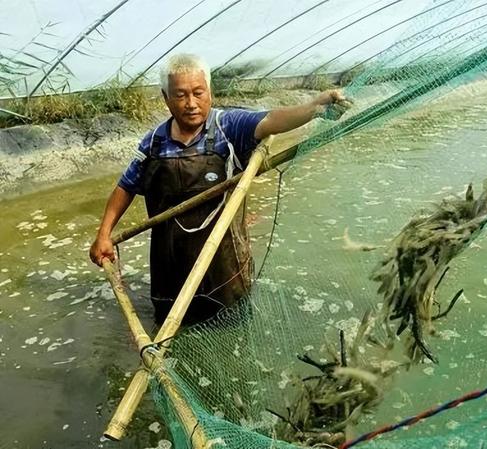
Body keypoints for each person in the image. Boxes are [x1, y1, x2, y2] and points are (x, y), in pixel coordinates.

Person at [89, 53, 345, 324]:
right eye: (181, 95)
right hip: (170, 273)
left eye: (198, 93)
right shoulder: (153, 143)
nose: (191, 104)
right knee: (172, 336)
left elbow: (273, 119)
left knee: (233, 333)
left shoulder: (229, 128)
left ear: (209, 92)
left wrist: (316, 106)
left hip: (226, 271)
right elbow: (126, 186)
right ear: (166, 98)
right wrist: (104, 234)